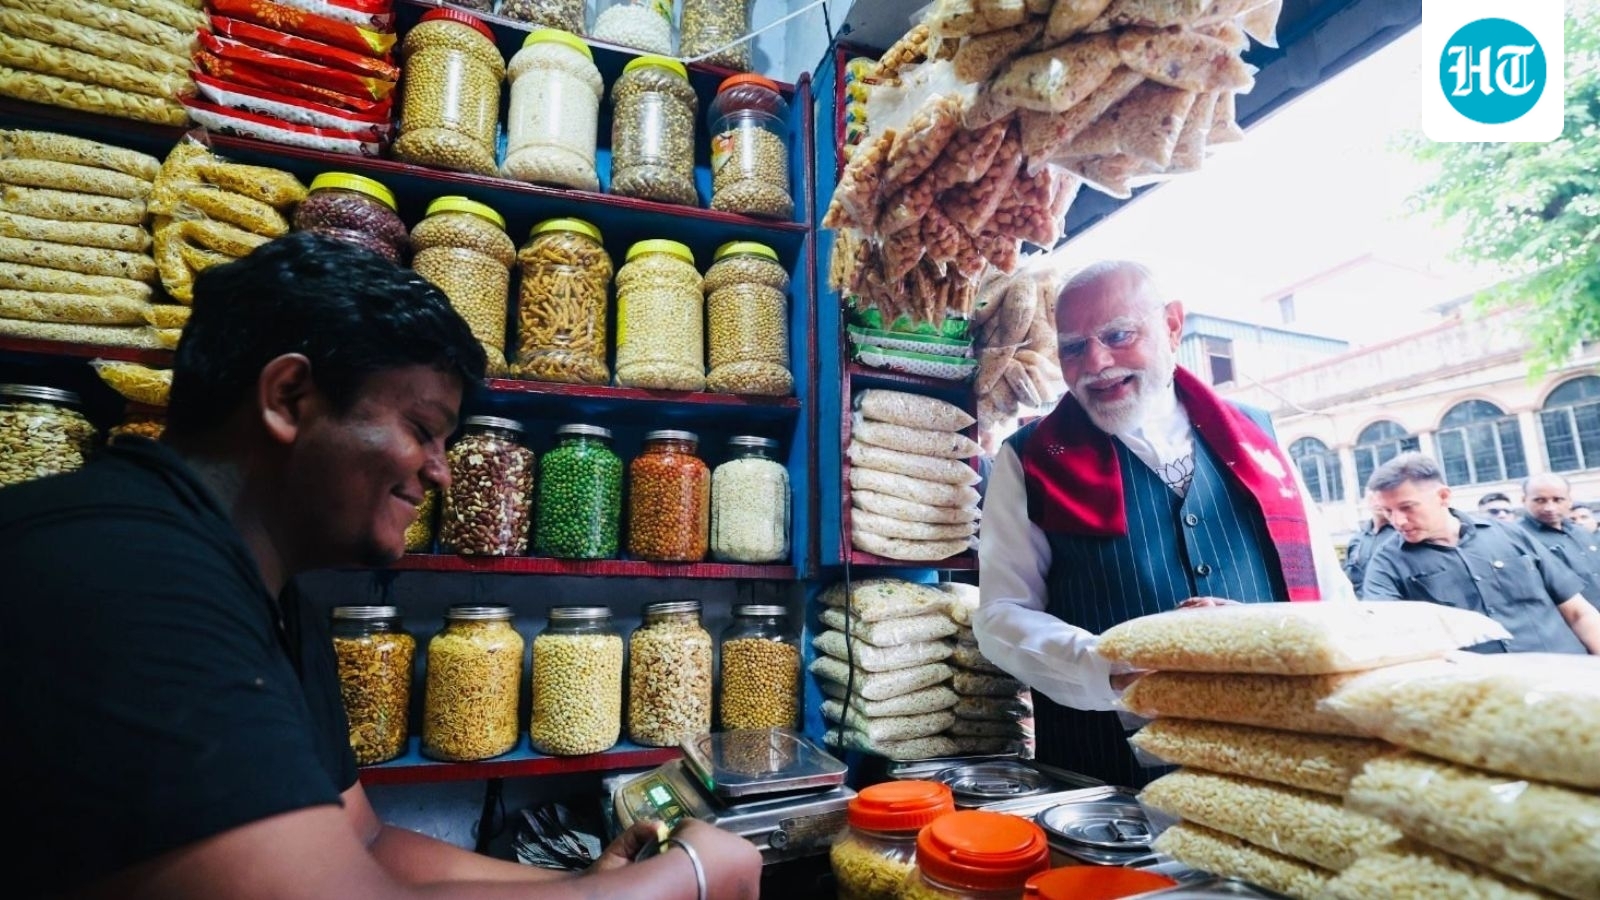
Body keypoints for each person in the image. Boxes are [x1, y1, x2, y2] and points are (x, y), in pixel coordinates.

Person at [0, 233, 762, 900]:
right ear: (289, 397)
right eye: (422, 429)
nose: (442, 473)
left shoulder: (271, 591)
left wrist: (585, 884)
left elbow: (362, 842)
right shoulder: (121, 570)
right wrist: (683, 880)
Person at [974, 260, 1353, 788]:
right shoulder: (1031, 459)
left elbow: (1332, 593)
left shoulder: (1258, 436)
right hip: (1106, 778)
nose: (1097, 363)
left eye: (1118, 335)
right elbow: (1000, 614)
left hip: (1274, 759)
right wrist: (1108, 665)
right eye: (1074, 347)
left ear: (1173, 325)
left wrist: (1268, 638)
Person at [1361, 452, 1600, 655]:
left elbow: (1578, 613)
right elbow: (1386, 639)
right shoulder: (1387, 563)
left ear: (1443, 496)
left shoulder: (1511, 535)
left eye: (1407, 508)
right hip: (1481, 699)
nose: (1398, 521)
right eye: (1387, 511)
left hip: (1565, 680)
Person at [1516, 473, 1600, 601]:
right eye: (1540, 500)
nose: (1550, 507)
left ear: (1569, 501)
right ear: (1524, 500)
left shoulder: (1581, 532)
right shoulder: (1518, 537)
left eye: (1558, 500)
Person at [1342, 489, 1399, 595]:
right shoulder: (1357, 540)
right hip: (1358, 606)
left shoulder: (1402, 537)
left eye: (1382, 497)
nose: (1378, 502)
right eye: (1373, 497)